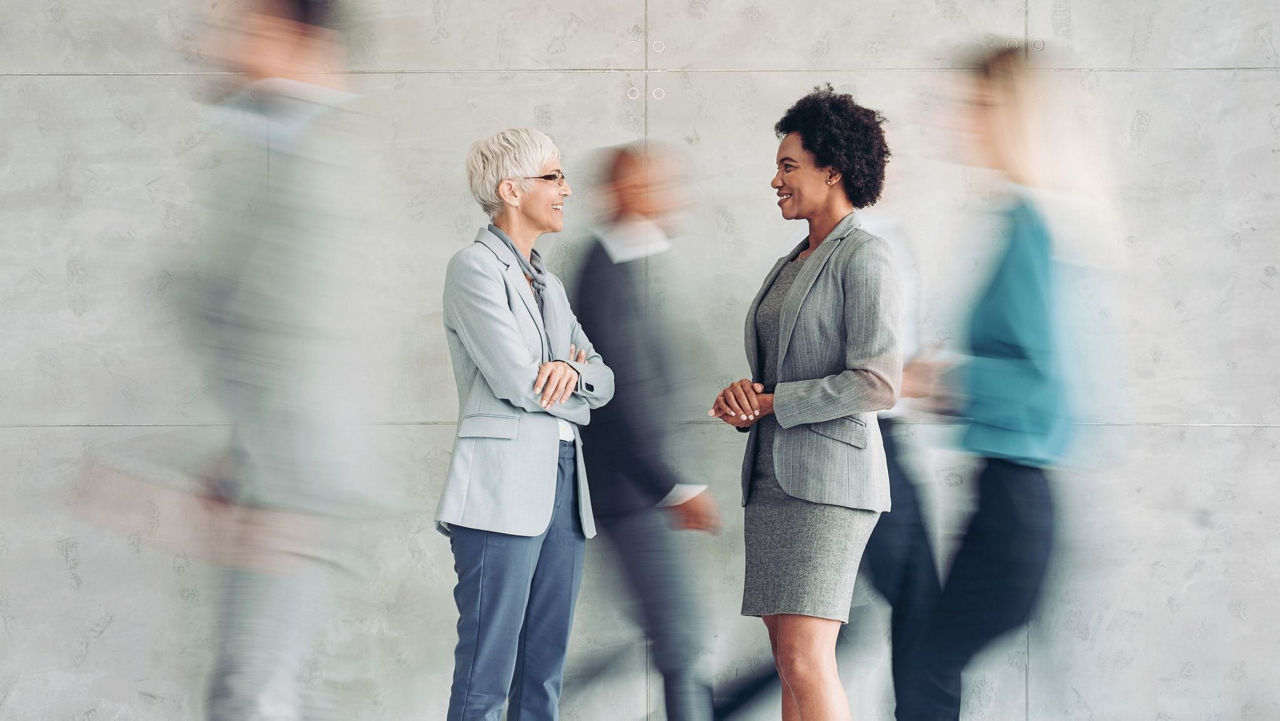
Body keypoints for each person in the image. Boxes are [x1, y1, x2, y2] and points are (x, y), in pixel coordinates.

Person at [186, 1, 388, 718]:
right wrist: (244, 458)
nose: (215, 39)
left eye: (243, 23)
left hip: (296, 475)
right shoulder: (279, 145)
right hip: (278, 468)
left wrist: (281, 479)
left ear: (301, 36)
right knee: (253, 688)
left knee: (251, 694)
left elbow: (307, 333)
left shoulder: (316, 157)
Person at [708, 85, 902, 721]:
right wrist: (748, 399)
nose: (775, 180)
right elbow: (778, 377)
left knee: (805, 660)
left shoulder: (866, 256)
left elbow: (877, 382)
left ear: (833, 170)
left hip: (828, 487)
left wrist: (773, 403)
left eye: (788, 165)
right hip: (772, 481)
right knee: (792, 662)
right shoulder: (792, 260)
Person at [899, 46, 1075, 720]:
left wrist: (940, 378)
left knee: (928, 666)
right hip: (1000, 494)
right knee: (928, 664)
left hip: (1015, 503)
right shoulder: (1017, 221)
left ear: (1016, 115)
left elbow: (1042, 385)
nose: (962, 119)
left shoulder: (1033, 226)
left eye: (979, 105)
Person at [436, 127, 615, 721]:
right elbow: (520, 382)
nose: (567, 188)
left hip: (566, 486)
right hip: (500, 489)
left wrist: (568, 369)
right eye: (553, 176)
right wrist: (572, 375)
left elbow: (604, 382)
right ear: (511, 190)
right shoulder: (474, 269)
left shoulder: (551, 285)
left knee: (543, 675)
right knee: (486, 679)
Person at [573, 144, 721, 721]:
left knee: (669, 638)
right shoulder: (602, 272)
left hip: (633, 491)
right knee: (681, 644)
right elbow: (622, 394)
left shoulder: (624, 265)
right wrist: (672, 488)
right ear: (627, 193)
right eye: (658, 185)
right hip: (628, 494)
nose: (672, 197)